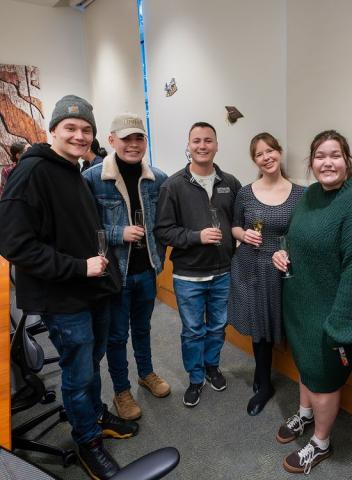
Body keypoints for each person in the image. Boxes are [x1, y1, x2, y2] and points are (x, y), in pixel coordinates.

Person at [0, 95, 138, 480]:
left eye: (86, 130)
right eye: (71, 128)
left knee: (91, 363)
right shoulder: (30, 174)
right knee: (77, 373)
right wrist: (78, 266)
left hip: (91, 289)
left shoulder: (72, 168)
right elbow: (14, 244)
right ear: (53, 130)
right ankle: (87, 442)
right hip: (63, 298)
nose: (79, 135)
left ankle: (94, 415)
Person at [272, 130, 352, 475]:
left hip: (334, 318)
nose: (327, 162)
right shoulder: (310, 195)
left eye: (334, 155)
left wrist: (342, 328)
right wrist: (283, 252)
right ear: (311, 163)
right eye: (320, 156)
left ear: (347, 160)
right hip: (302, 307)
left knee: (323, 380)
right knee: (307, 368)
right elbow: (297, 238)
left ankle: (321, 443)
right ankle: (305, 415)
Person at [84, 113, 170, 421]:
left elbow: (164, 223)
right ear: (111, 141)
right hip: (115, 274)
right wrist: (119, 233)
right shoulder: (93, 179)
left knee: (143, 328)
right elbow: (84, 230)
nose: (133, 145)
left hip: (147, 270)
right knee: (117, 335)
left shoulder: (158, 177)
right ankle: (121, 390)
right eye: (126, 139)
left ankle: (146, 374)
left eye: (139, 138)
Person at [155, 121, 241, 407]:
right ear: (188, 146)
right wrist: (196, 236)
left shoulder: (230, 182)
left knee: (218, 326)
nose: (202, 146)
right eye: (196, 141)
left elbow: (238, 223)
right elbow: (163, 230)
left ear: (216, 145)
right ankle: (195, 377)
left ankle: (212, 367)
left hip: (222, 271)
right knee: (193, 330)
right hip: (188, 275)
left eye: (208, 141)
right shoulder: (173, 185)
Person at [228, 132, 304, 416]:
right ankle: (264, 383)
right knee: (258, 329)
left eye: (270, 150)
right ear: (255, 160)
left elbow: (301, 235)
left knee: (282, 327)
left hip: (280, 268)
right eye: (260, 154)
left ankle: (292, 387)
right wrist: (243, 234)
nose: (267, 157)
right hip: (250, 266)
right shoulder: (245, 192)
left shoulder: (300, 194)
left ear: (279, 152)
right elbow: (234, 226)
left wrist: (287, 252)